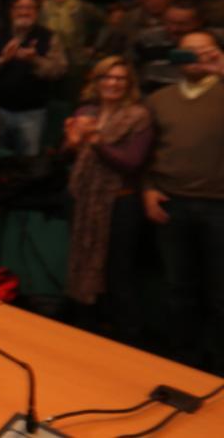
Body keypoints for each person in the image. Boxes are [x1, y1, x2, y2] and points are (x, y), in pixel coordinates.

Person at [144, 31, 224, 376]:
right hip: (171, 204)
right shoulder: (160, 99)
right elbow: (145, 151)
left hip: (219, 206)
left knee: (220, 291)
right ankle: (184, 362)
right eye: (187, 52)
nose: (195, 58)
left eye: (203, 52)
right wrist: (147, 188)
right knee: (178, 287)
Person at [62, 57, 152, 344]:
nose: (113, 83)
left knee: (117, 274)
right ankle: (87, 332)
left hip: (118, 204)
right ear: (97, 81)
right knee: (82, 264)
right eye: (107, 78)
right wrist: (72, 141)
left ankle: (128, 338)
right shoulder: (88, 111)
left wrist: (96, 140)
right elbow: (66, 155)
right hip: (85, 200)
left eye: (120, 79)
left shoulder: (138, 116)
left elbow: (131, 162)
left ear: (129, 84)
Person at [0, 0, 67, 156]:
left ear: (36, 11)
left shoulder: (49, 37)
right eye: (20, 7)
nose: (24, 12)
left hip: (33, 114)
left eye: (29, 8)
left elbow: (59, 71)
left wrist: (34, 59)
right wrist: (2, 60)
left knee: (29, 164)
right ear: (12, 11)